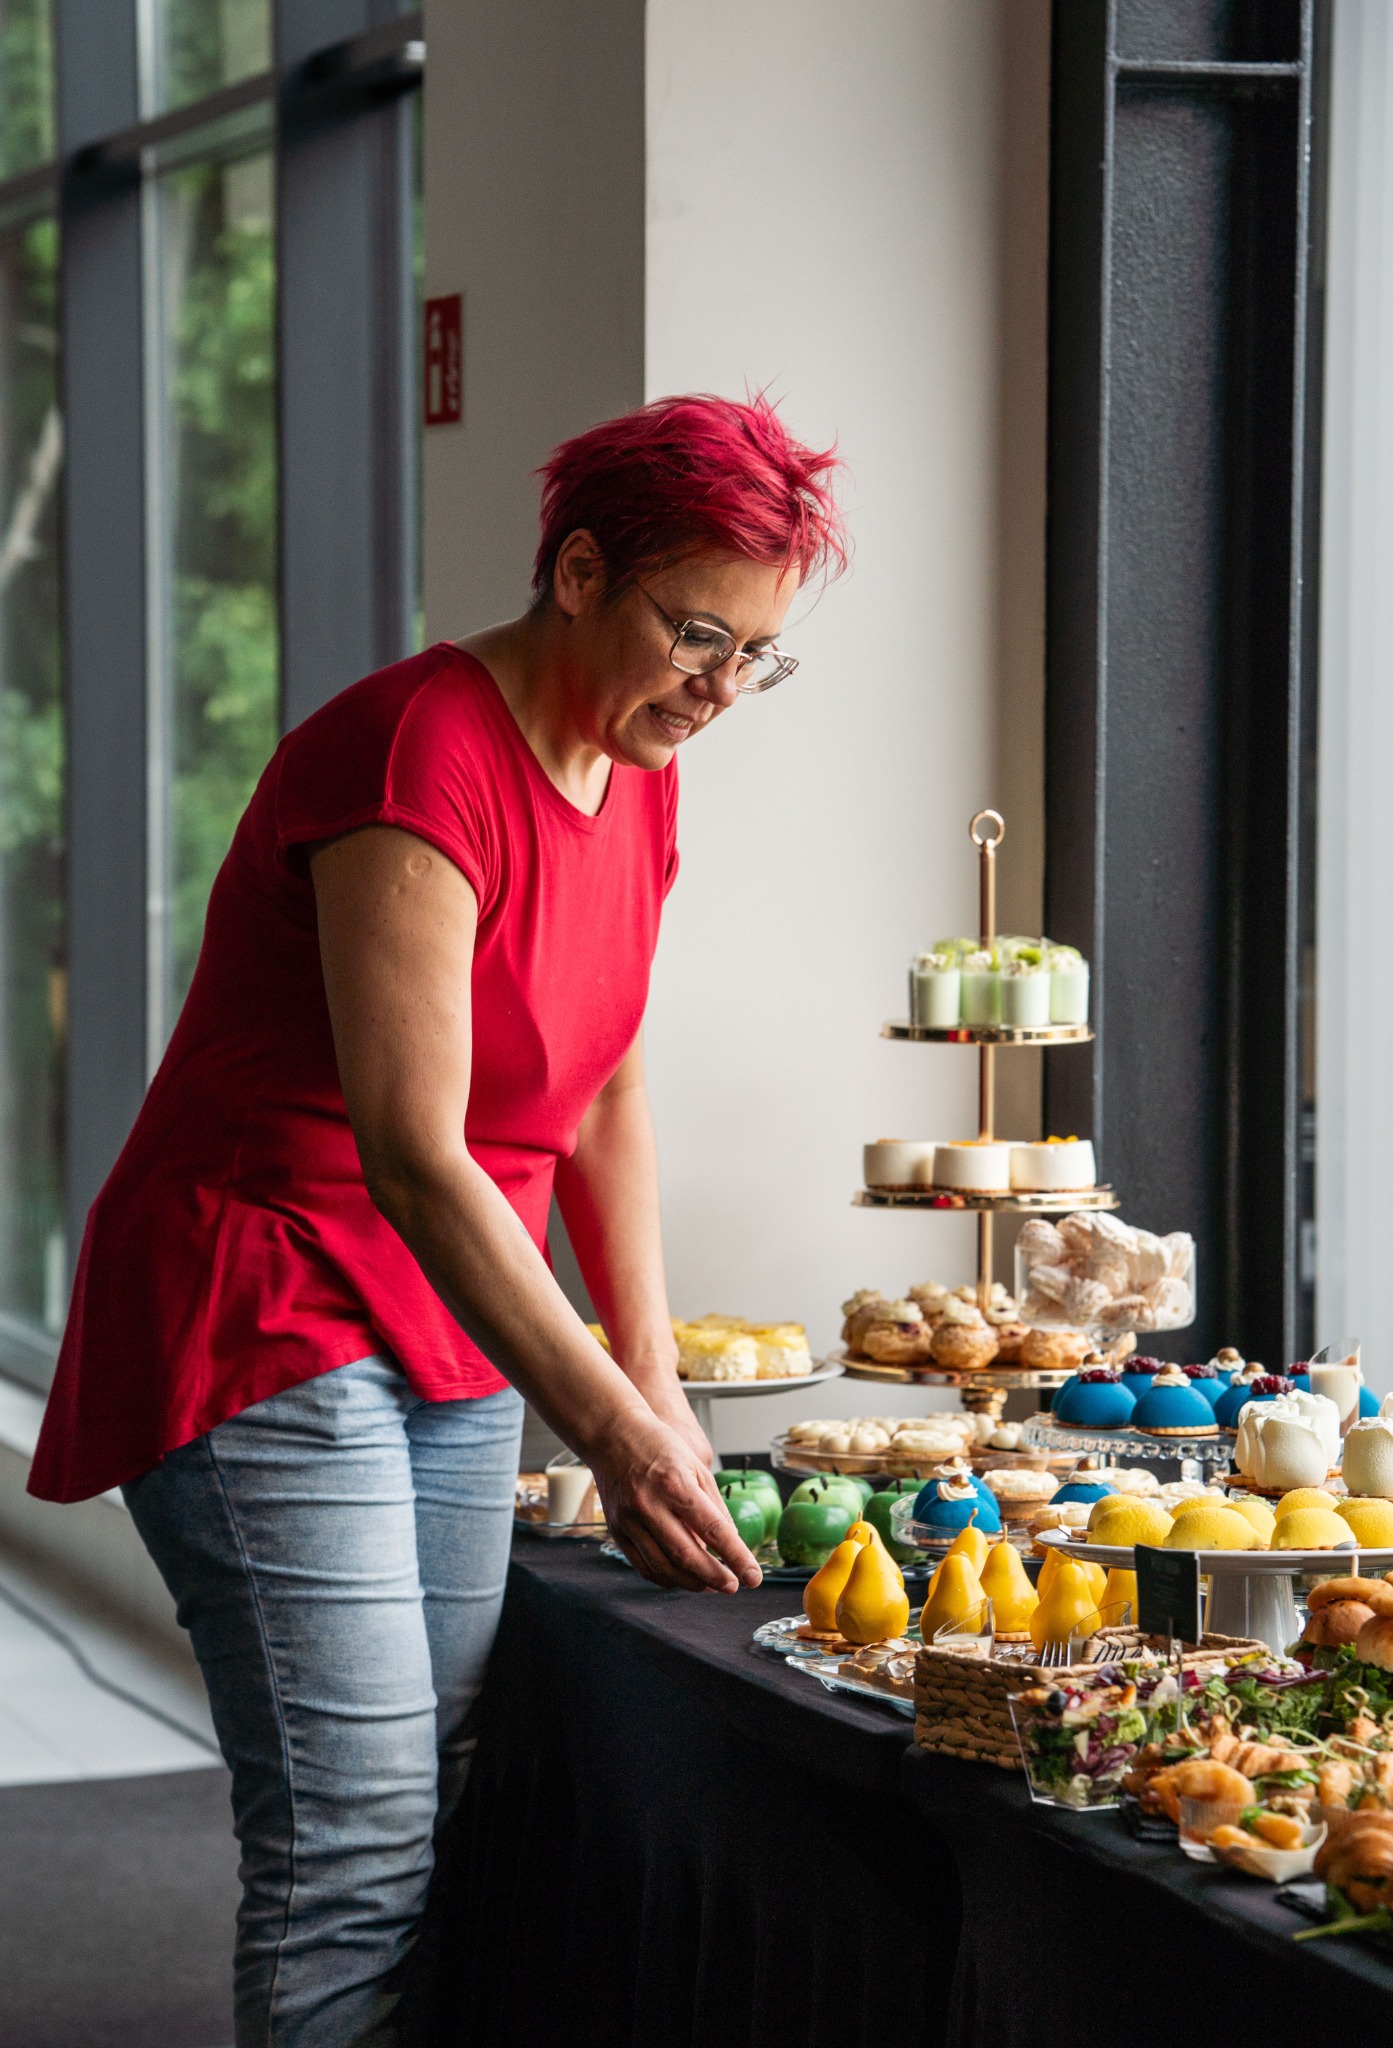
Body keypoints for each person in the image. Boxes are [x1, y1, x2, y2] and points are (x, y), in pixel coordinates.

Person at [29, 393, 848, 2046]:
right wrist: (612, 1430)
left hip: (448, 1319)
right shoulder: (416, 755)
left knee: (449, 1783)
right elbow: (414, 1152)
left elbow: (603, 1089)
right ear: (575, 568)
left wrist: (659, 1376)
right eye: (700, 635)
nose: (722, 690)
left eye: (758, 656)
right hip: (271, 1287)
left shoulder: (638, 771)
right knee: (354, 1835)